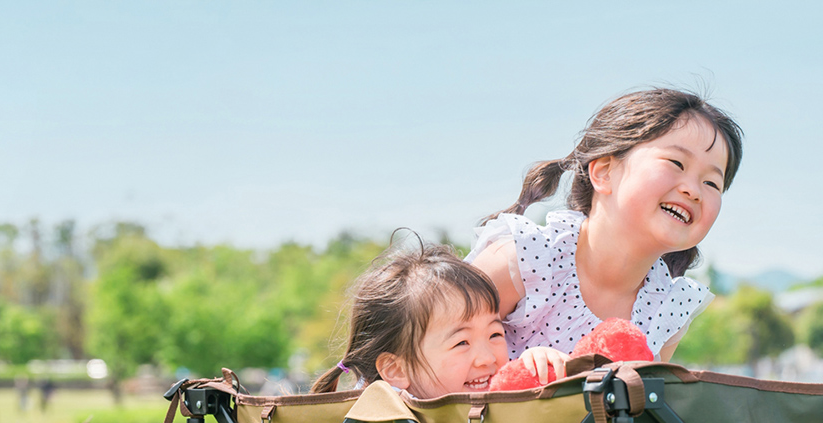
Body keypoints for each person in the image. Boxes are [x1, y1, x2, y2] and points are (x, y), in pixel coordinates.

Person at [467, 88, 743, 362]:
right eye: (676, 162)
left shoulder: (667, 311)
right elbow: (433, 366)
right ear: (604, 172)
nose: (693, 191)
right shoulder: (525, 263)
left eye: (711, 183)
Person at [310, 241, 568, 397]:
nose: (489, 358)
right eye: (461, 343)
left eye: (495, 335)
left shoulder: (507, 402)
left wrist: (546, 373)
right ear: (396, 370)